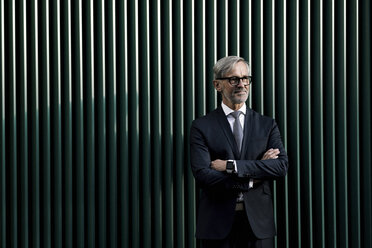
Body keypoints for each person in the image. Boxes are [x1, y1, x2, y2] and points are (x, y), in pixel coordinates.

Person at [190, 56, 288, 248]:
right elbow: (203, 175)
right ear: (217, 85)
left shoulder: (267, 125)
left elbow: (280, 167)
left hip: (258, 225)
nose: (241, 84)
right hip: (217, 226)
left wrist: (230, 166)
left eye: (245, 78)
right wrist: (255, 176)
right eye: (233, 79)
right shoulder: (201, 126)